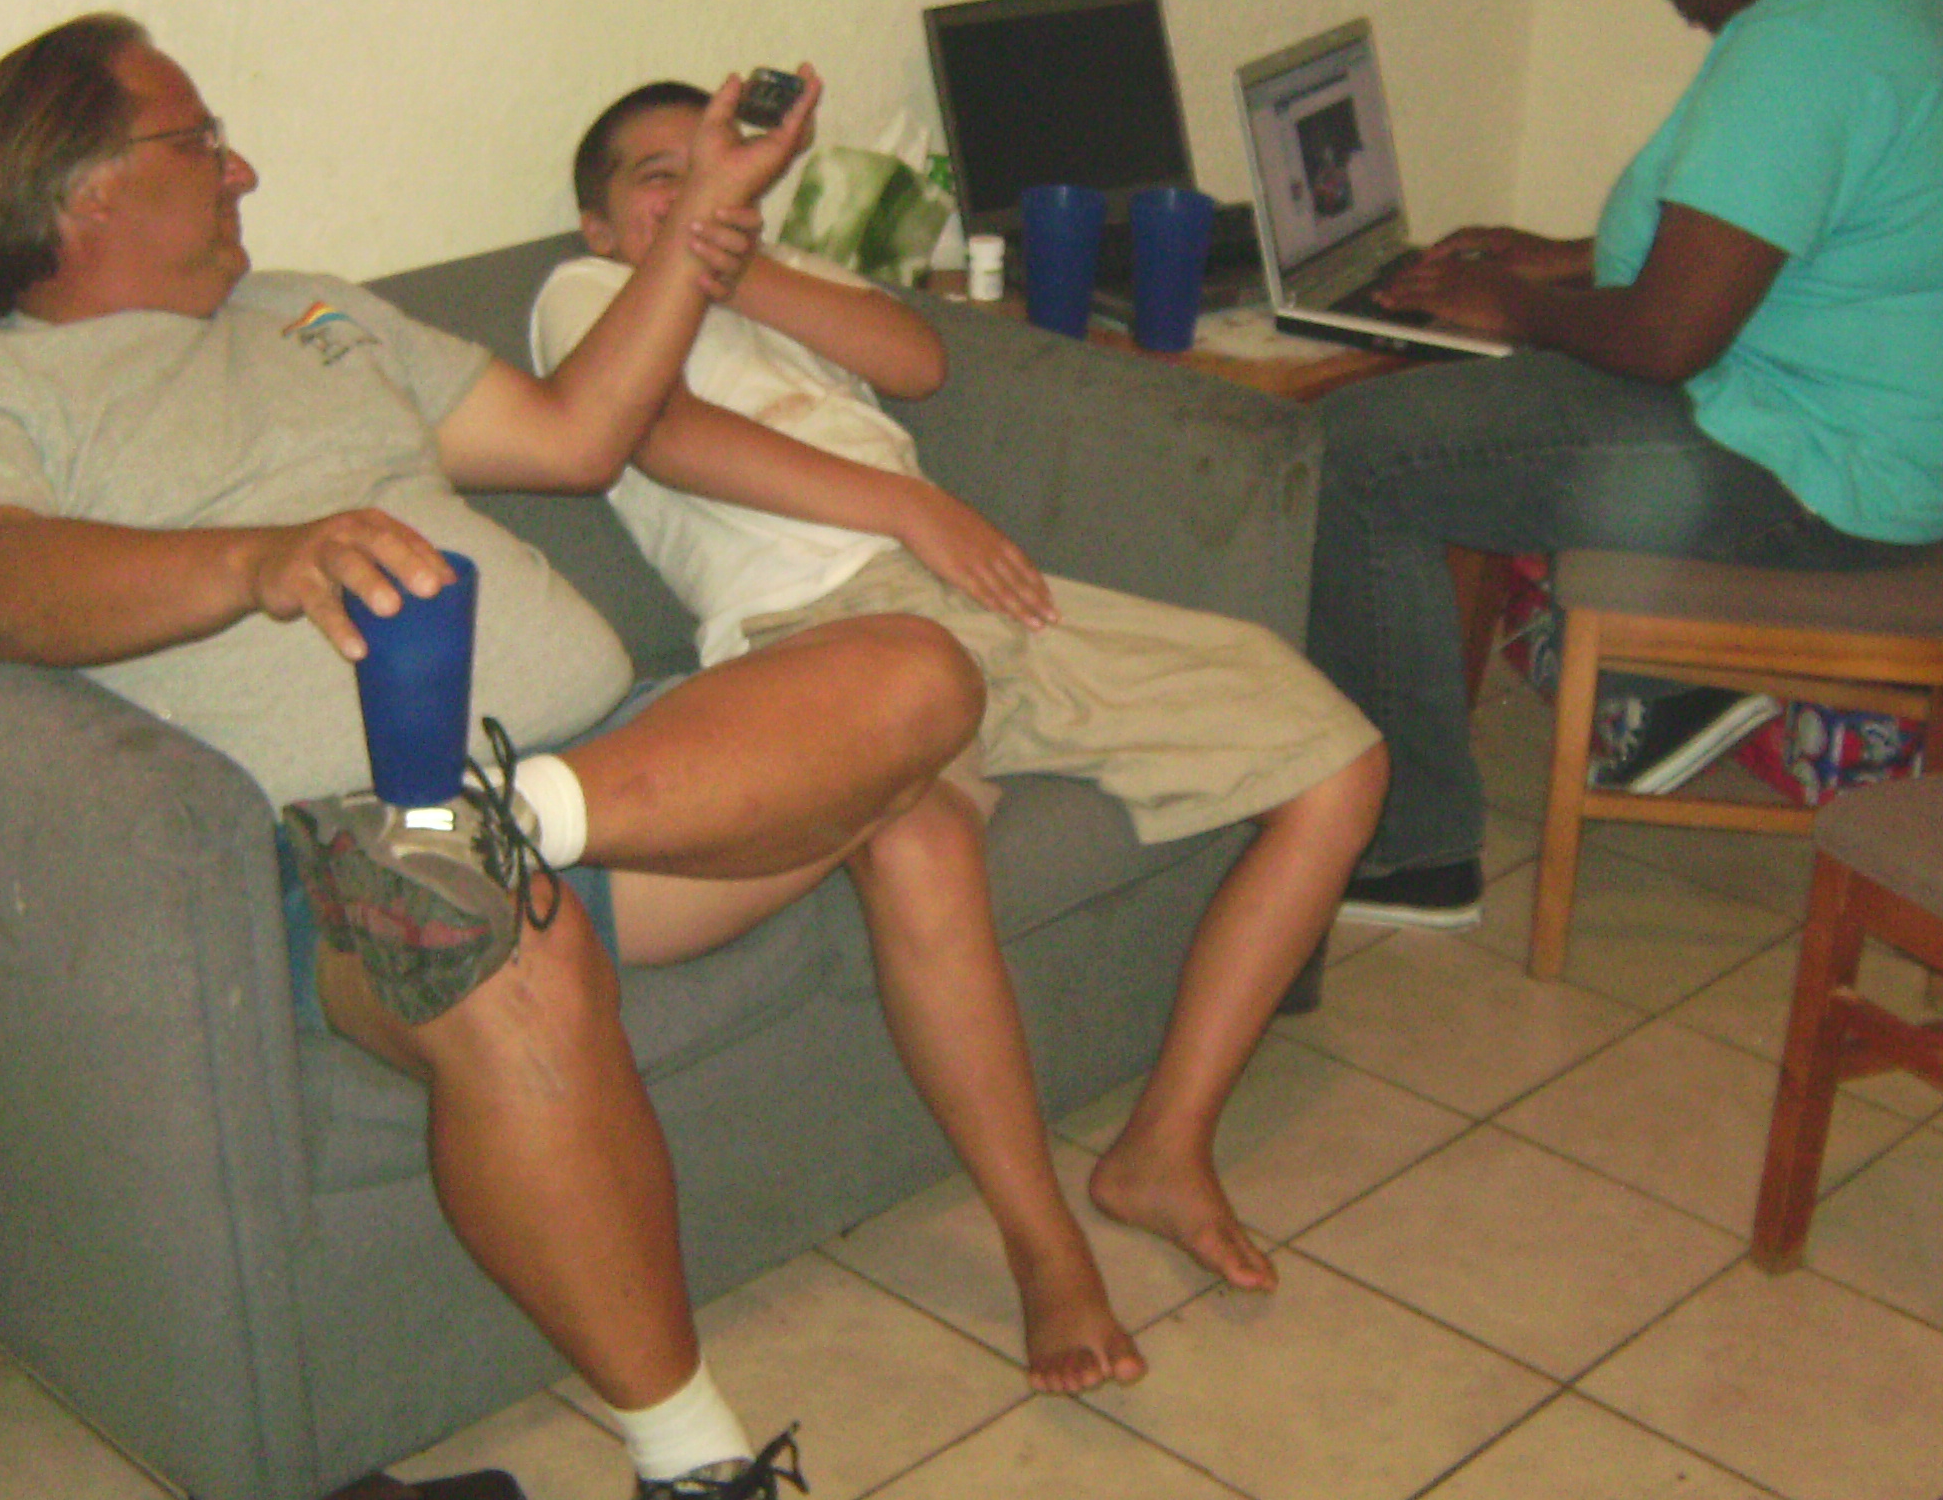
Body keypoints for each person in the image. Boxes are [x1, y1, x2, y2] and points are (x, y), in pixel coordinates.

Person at [0, 15, 1010, 1500]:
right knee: (494, 953)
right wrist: (254, 559)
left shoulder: (316, 310)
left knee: (917, 672)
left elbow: (579, 435)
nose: (240, 165)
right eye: (199, 138)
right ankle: (694, 1479)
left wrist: (709, 209)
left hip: (605, 788)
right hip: (344, 856)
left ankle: (512, 819)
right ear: (80, 190)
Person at [537, 80, 1388, 1349]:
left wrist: (740, 260)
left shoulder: (778, 278)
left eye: (717, 167)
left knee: (1338, 762)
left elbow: (917, 361)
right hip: (812, 642)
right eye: (661, 177)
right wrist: (910, 508)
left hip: (973, 598)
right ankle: (1041, 1243)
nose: (697, 188)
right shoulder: (587, 295)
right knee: (921, 842)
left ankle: (1164, 1146)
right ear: (600, 225)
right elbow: (656, 437)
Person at [1310, 0, 1943, 931]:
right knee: (1451, 413)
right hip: (1876, 436)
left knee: (1349, 453)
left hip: (1822, 476)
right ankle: (1655, 694)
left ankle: (1412, 848)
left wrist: (1516, 307)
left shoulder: (1806, 49)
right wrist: (1555, 259)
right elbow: (1771, 235)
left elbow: (1665, 341)